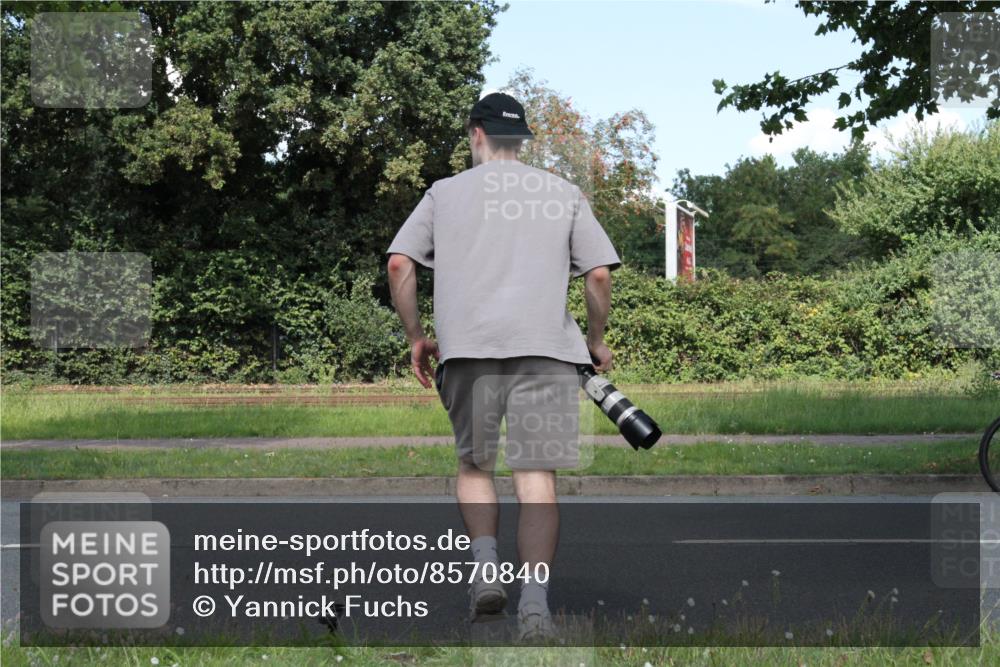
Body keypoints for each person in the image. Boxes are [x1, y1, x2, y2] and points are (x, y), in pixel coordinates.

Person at [386, 92, 620, 641]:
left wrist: (417, 336)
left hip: (468, 350)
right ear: (522, 140)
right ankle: (535, 606)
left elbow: (400, 262)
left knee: (475, 466)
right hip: (548, 353)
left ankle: (486, 572)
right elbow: (600, 275)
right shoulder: (562, 192)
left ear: (476, 134)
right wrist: (595, 341)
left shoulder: (444, 194)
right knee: (535, 476)